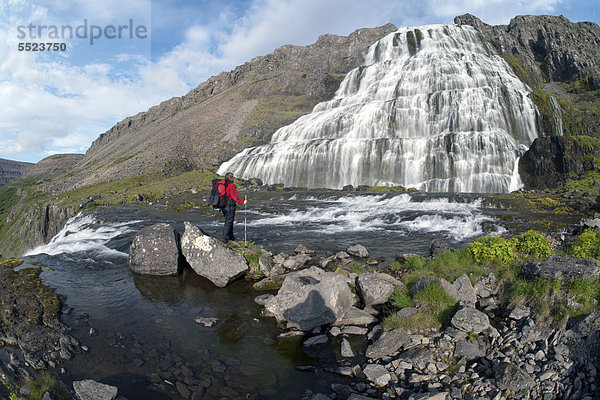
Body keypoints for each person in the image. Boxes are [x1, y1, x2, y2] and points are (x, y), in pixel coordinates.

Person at [219, 172, 246, 243]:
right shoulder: (232, 185)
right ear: (231, 178)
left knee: (229, 221)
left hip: (223, 205)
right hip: (230, 206)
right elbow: (234, 197)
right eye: (233, 176)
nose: (234, 177)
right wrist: (242, 202)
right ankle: (224, 239)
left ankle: (231, 237)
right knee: (228, 222)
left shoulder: (222, 184)